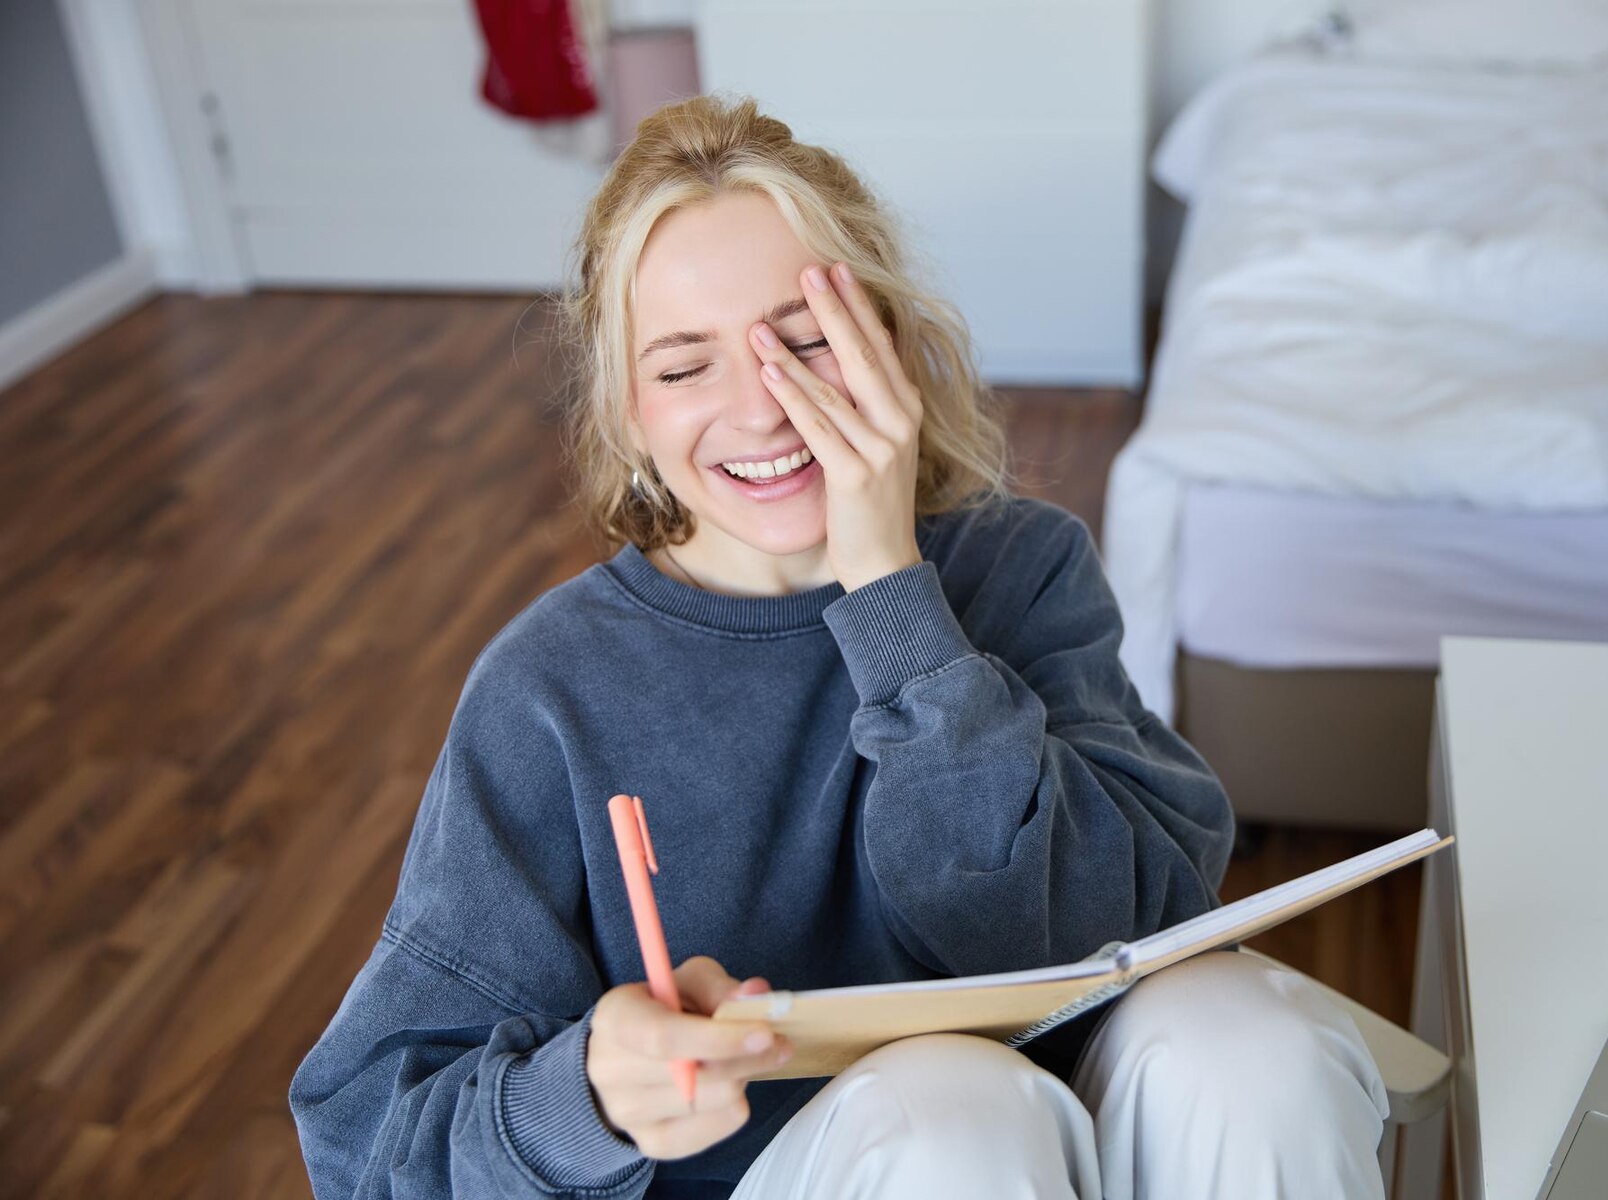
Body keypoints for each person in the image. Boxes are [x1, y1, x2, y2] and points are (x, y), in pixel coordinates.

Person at [288, 93, 1390, 1199]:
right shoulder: (549, 690)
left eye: (807, 341)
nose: (765, 411)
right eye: (684, 367)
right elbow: (365, 1143)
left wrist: (891, 592)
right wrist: (584, 1099)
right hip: (851, 1166)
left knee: (1251, 1042)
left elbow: (1121, 931)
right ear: (625, 414)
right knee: (949, 1108)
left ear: (892, 349)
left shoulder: (1026, 569)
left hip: (1082, 1141)